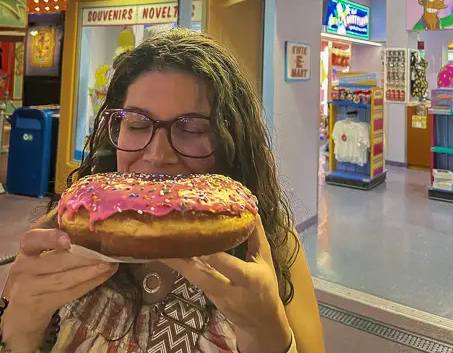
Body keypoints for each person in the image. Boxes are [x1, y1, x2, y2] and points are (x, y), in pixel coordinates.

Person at [1, 29, 325, 353]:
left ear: (230, 142)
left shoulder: (268, 245)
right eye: (137, 124)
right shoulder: (68, 232)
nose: (157, 155)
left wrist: (269, 336)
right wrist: (19, 329)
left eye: (192, 128)